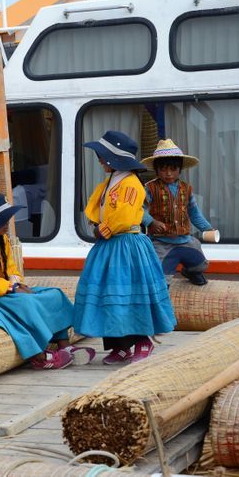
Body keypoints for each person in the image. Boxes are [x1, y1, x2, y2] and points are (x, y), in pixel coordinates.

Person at [73, 130, 176, 364]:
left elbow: (124, 215)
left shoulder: (131, 184)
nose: (99, 160)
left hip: (126, 246)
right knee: (108, 295)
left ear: (113, 158)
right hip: (111, 246)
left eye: (101, 156)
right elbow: (100, 207)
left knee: (127, 294)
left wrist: (103, 229)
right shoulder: (112, 180)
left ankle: (142, 341)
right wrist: (98, 225)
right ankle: (119, 346)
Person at [0, 193, 93, 370]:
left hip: (4, 291)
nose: (8, 224)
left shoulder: (1, 238)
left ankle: (63, 344)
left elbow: (11, 268)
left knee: (54, 294)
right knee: (26, 304)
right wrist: (14, 288)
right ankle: (40, 356)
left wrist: (17, 283)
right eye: (4, 220)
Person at [141, 139, 215, 286]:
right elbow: (137, 209)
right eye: (163, 169)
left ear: (180, 169)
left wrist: (207, 228)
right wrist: (151, 222)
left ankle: (191, 272)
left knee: (201, 264)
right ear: (156, 170)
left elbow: (194, 212)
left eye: (173, 169)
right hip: (160, 242)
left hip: (186, 240)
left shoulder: (186, 188)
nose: (168, 173)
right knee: (160, 279)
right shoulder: (149, 188)